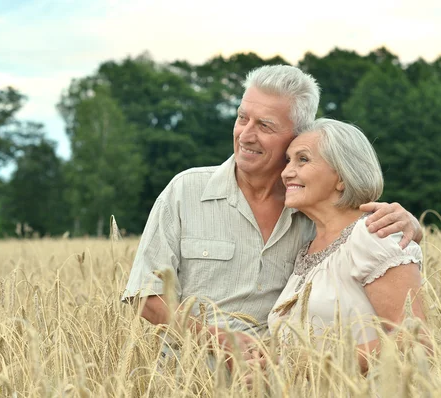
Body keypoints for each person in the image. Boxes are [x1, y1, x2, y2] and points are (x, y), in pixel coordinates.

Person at [122, 65, 422, 361]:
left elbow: (383, 272)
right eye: (242, 118)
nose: (246, 135)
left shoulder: (311, 208)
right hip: (186, 384)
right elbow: (145, 295)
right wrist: (218, 339)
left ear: (297, 135)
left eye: (265, 126)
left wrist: (410, 228)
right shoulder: (185, 190)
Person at [267, 118, 426, 372]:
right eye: (288, 160)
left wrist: (318, 366)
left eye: (303, 159)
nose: (286, 172)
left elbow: (416, 340)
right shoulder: (308, 246)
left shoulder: (372, 235)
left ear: (341, 177)